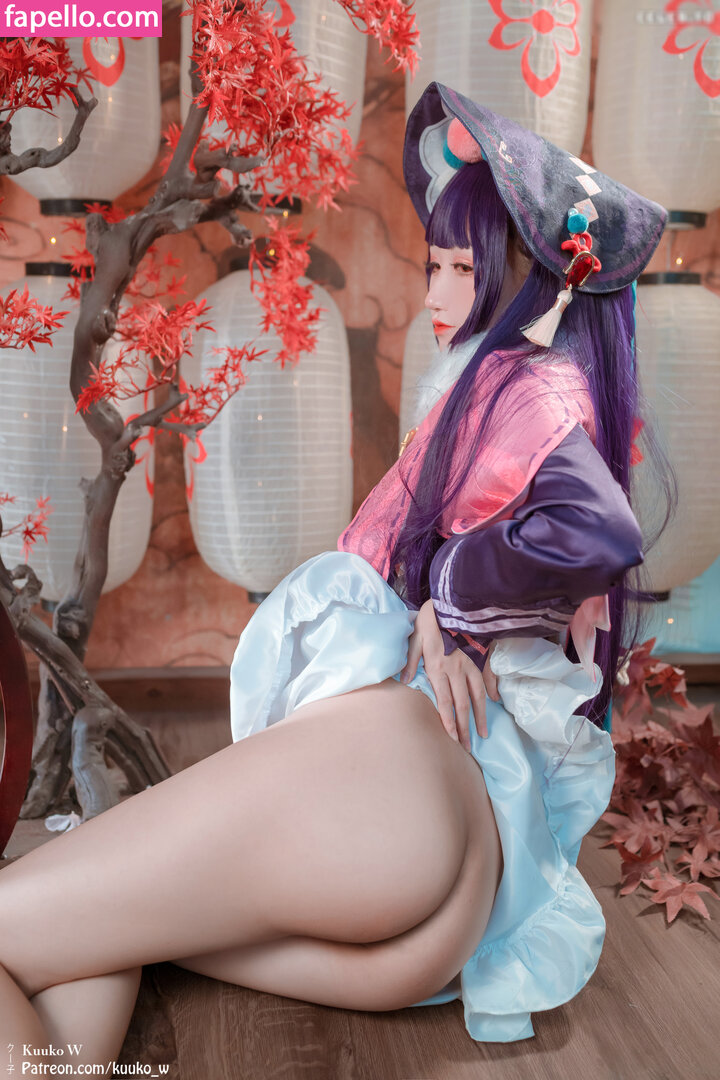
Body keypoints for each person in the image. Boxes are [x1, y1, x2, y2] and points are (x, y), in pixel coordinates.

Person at [0, 82, 672, 1068]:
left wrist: (455, 602)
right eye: (434, 264)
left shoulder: (527, 390)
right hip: (456, 885)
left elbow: (598, 529)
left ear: (537, 283)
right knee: (92, 939)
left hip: (392, 789)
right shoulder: (536, 391)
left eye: (460, 268)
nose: (434, 295)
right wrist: (451, 603)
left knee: (28, 919)